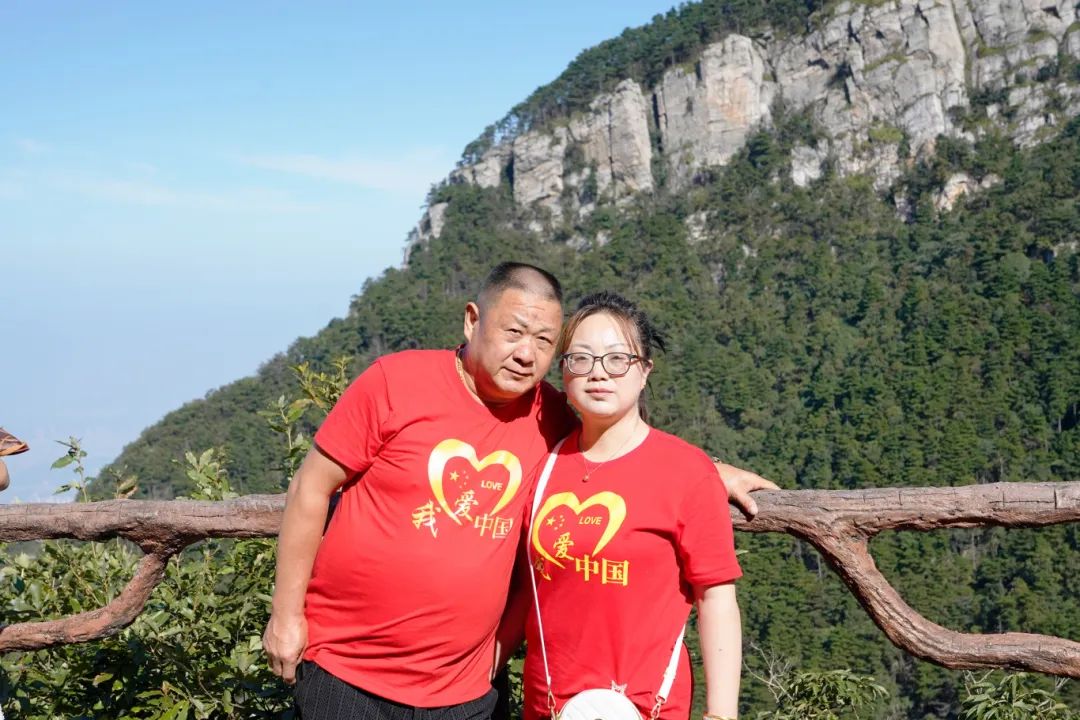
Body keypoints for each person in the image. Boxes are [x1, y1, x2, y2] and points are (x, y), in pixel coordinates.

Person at [263, 262, 773, 719]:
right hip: (347, 671)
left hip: (466, 692)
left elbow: (626, 442)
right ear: (472, 321)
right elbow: (310, 488)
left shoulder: (547, 415)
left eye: (545, 342)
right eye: (513, 332)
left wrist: (710, 469)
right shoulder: (396, 382)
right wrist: (285, 616)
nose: (526, 354)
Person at [516, 292, 741, 720]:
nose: (599, 372)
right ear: (564, 372)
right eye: (581, 359)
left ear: (644, 372)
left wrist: (722, 713)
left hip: (645, 709)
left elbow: (716, 597)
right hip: (548, 707)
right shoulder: (544, 464)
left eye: (617, 359)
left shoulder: (686, 471)